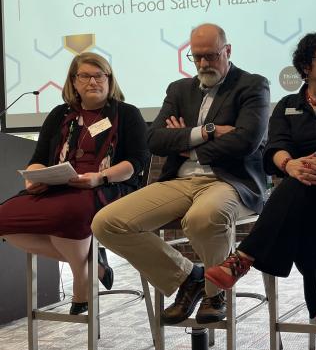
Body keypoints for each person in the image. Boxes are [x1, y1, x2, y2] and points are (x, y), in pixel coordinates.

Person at [92, 23, 269, 325]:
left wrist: (187, 143)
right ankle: (190, 277)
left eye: (211, 56)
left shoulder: (252, 86)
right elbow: (156, 139)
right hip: (180, 180)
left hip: (229, 181)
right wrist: (209, 132)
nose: (203, 64)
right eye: (197, 57)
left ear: (227, 51)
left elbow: (246, 142)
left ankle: (215, 294)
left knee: (202, 219)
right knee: (107, 223)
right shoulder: (179, 90)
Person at [205, 32, 316, 329]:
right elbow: (276, 147)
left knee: (299, 191)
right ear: (305, 66)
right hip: (307, 186)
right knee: (306, 200)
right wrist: (291, 164)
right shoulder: (287, 104)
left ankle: (244, 256)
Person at [0, 53, 148, 314]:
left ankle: (82, 288)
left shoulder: (127, 113)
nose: (93, 81)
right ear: (73, 81)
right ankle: (93, 268)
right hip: (58, 186)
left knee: (69, 213)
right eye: (85, 76)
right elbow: (37, 160)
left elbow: (136, 164)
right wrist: (33, 177)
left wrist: (99, 177)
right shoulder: (60, 114)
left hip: (107, 185)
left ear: (109, 79)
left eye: (99, 75)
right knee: (4, 218)